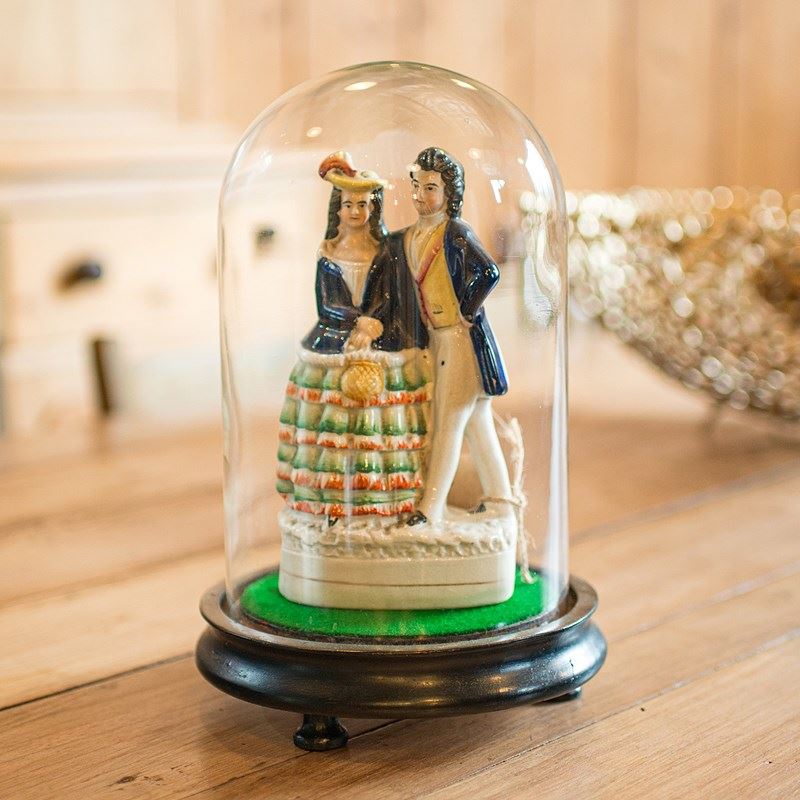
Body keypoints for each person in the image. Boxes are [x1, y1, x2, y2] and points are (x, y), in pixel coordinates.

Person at [276, 152, 430, 522]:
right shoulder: (328, 253)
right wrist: (357, 323)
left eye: (363, 204)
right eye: (348, 205)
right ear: (338, 209)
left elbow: (390, 296)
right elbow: (327, 305)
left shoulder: (386, 251)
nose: (356, 212)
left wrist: (374, 322)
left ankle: (387, 499)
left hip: (382, 337)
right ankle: (329, 500)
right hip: (335, 339)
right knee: (331, 420)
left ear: (374, 209)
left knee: (382, 423)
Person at [379, 146, 512, 526]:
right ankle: (501, 499)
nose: (420, 196)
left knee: (448, 422)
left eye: (430, 188)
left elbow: (488, 272)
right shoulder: (411, 236)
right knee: (477, 424)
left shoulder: (455, 233)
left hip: (459, 339)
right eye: (416, 187)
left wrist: (467, 309)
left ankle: (431, 508)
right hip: (437, 336)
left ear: (449, 193)